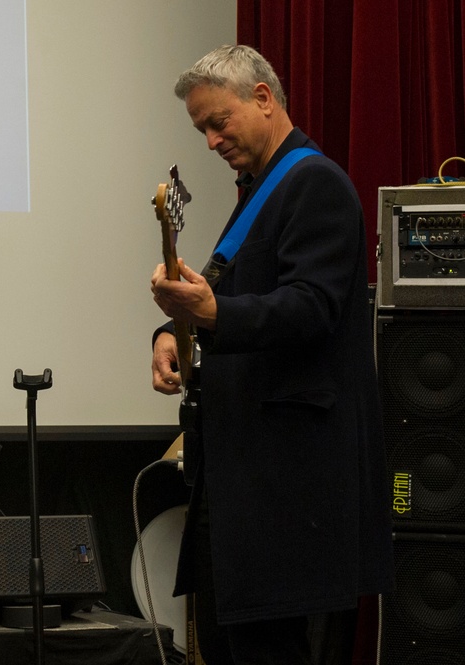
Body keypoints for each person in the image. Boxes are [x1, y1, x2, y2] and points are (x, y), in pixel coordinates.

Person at [149, 45, 394, 664]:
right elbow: (227, 294)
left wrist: (210, 314)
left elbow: (312, 308)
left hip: (290, 495)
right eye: (201, 128)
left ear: (263, 99)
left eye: (217, 122)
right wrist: (171, 332)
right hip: (244, 490)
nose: (209, 141)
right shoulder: (262, 190)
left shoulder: (315, 183)